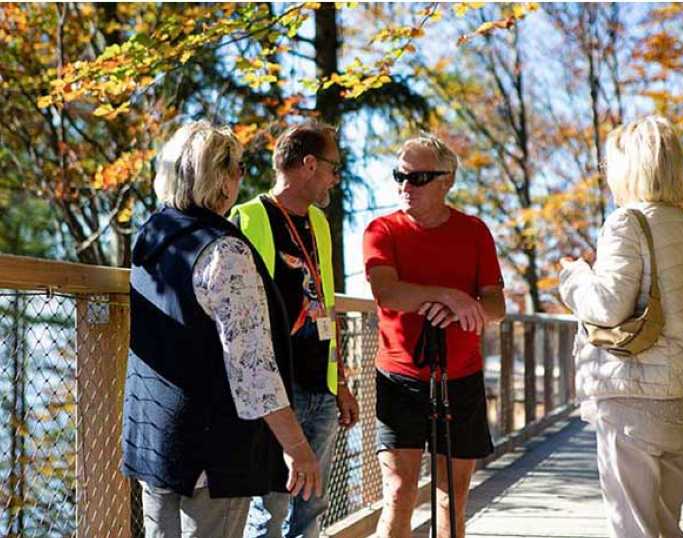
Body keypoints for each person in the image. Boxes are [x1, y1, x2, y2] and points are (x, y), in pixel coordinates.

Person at [123, 120, 321, 538]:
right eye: (240, 168)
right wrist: (298, 449)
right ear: (221, 175)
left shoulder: (151, 236)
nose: (242, 178)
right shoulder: (223, 251)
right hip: (211, 447)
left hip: (153, 433)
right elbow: (253, 372)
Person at [558, 116, 683, 538]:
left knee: (634, 529)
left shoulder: (627, 221)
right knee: (665, 526)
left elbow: (608, 308)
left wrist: (574, 278)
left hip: (633, 397)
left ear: (631, 168)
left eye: (612, 166)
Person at [363, 134, 506, 538]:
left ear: (446, 181)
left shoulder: (474, 231)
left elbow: (496, 306)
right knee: (397, 490)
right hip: (399, 378)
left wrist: (465, 309)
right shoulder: (382, 230)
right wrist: (451, 297)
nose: (405, 186)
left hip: (460, 377)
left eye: (419, 177)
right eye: (400, 176)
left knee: (452, 496)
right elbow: (387, 291)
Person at [230, 120, 359, 538]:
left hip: (319, 390)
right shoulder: (248, 217)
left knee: (312, 508)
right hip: (274, 398)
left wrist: (339, 381)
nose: (336, 178)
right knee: (269, 510)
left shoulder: (319, 222)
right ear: (308, 164)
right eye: (333, 168)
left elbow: (327, 305)